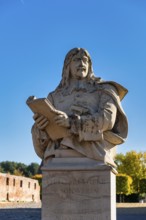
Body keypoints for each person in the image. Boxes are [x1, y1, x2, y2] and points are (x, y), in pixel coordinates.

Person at [31, 48, 128, 167]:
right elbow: (45, 137)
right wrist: (40, 128)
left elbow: (107, 120)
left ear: (90, 65)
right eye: (76, 60)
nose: (82, 64)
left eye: (85, 60)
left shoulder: (105, 90)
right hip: (58, 156)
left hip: (95, 153)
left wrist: (71, 122)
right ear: (67, 66)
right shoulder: (53, 97)